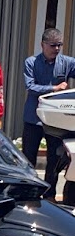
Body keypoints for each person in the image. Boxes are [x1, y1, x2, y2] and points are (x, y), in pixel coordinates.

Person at [22, 28, 75, 197]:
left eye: (59, 45)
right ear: (42, 45)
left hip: (56, 120)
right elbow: (30, 87)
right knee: (28, 158)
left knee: (55, 159)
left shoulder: (67, 62)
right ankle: (29, 193)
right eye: (52, 45)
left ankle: (49, 194)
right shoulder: (31, 62)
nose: (56, 49)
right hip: (33, 118)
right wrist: (54, 88)